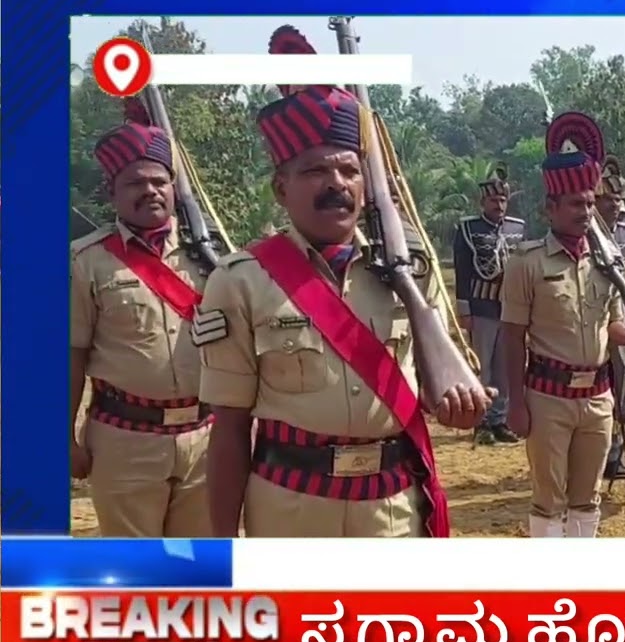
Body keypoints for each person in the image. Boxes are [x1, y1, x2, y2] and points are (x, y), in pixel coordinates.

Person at [198, 83, 490, 538]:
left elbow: (436, 388)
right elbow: (230, 429)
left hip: (391, 511)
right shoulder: (241, 280)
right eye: (315, 171)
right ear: (281, 187)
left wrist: (459, 405)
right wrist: (220, 545)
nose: (336, 183)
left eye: (349, 171)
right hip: (290, 514)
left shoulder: (409, 269)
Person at [500, 111, 625, 538]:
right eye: (576, 204)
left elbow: (610, 325)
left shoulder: (607, 264)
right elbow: (512, 336)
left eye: (590, 203)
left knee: (587, 498)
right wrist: (516, 404)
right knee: (548, 500)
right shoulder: (527, 263)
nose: (586, 212)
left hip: (597, 398)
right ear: (550, 207)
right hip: (546, 397)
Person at [70, 101, 212, 538]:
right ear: (112, 192)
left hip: (207, 438)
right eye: (135, 182)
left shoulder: (213, 257)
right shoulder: (85, 262)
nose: (150, 191)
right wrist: (63, 437)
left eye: (160, 181)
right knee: (135, 571)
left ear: (174, 188)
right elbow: (71, 354)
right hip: (124, 440)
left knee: (200, 569)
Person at [453, 163, 525, 446]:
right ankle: (481, 422)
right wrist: (464, 310)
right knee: (482, 367)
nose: (499, 204)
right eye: (493, 200)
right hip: (481, 306)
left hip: (509, 308)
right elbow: (462, 270)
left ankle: (500, 420)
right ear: (482, 202)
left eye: (503, 199)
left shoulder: (517, 228)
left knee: (506, 368)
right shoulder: (469, 229)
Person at [598, 154, 625, 479]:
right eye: (608, 200)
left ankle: (617, 452)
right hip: (597, 320)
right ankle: (599, 453)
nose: (614, 206)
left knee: (624, 387)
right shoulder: (589, 234)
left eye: (618, 200)